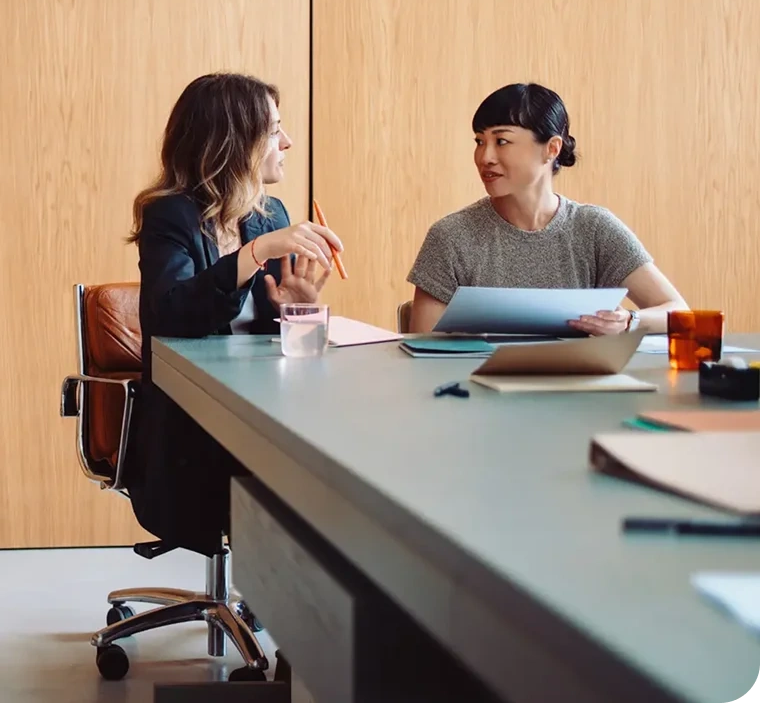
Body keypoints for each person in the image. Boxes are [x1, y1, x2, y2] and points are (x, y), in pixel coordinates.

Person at [126, 73, 342, 555]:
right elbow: (172, 315)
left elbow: (271, 341)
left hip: (261, 410)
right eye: (274, 131)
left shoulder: (270, 214)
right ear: (233, 142)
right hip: (192, 423)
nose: (287, 142)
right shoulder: (169, 215)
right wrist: (254, 253)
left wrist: (296, 310)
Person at [407, 83, 687, 335]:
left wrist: (629, 321)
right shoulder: (451, 236)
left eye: (501, 141)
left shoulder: (594, 229)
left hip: (579, 377)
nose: (485, 157)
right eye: (480, 141)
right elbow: (422, 349)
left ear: (551, 148)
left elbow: (678, 311)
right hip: (476, 377)